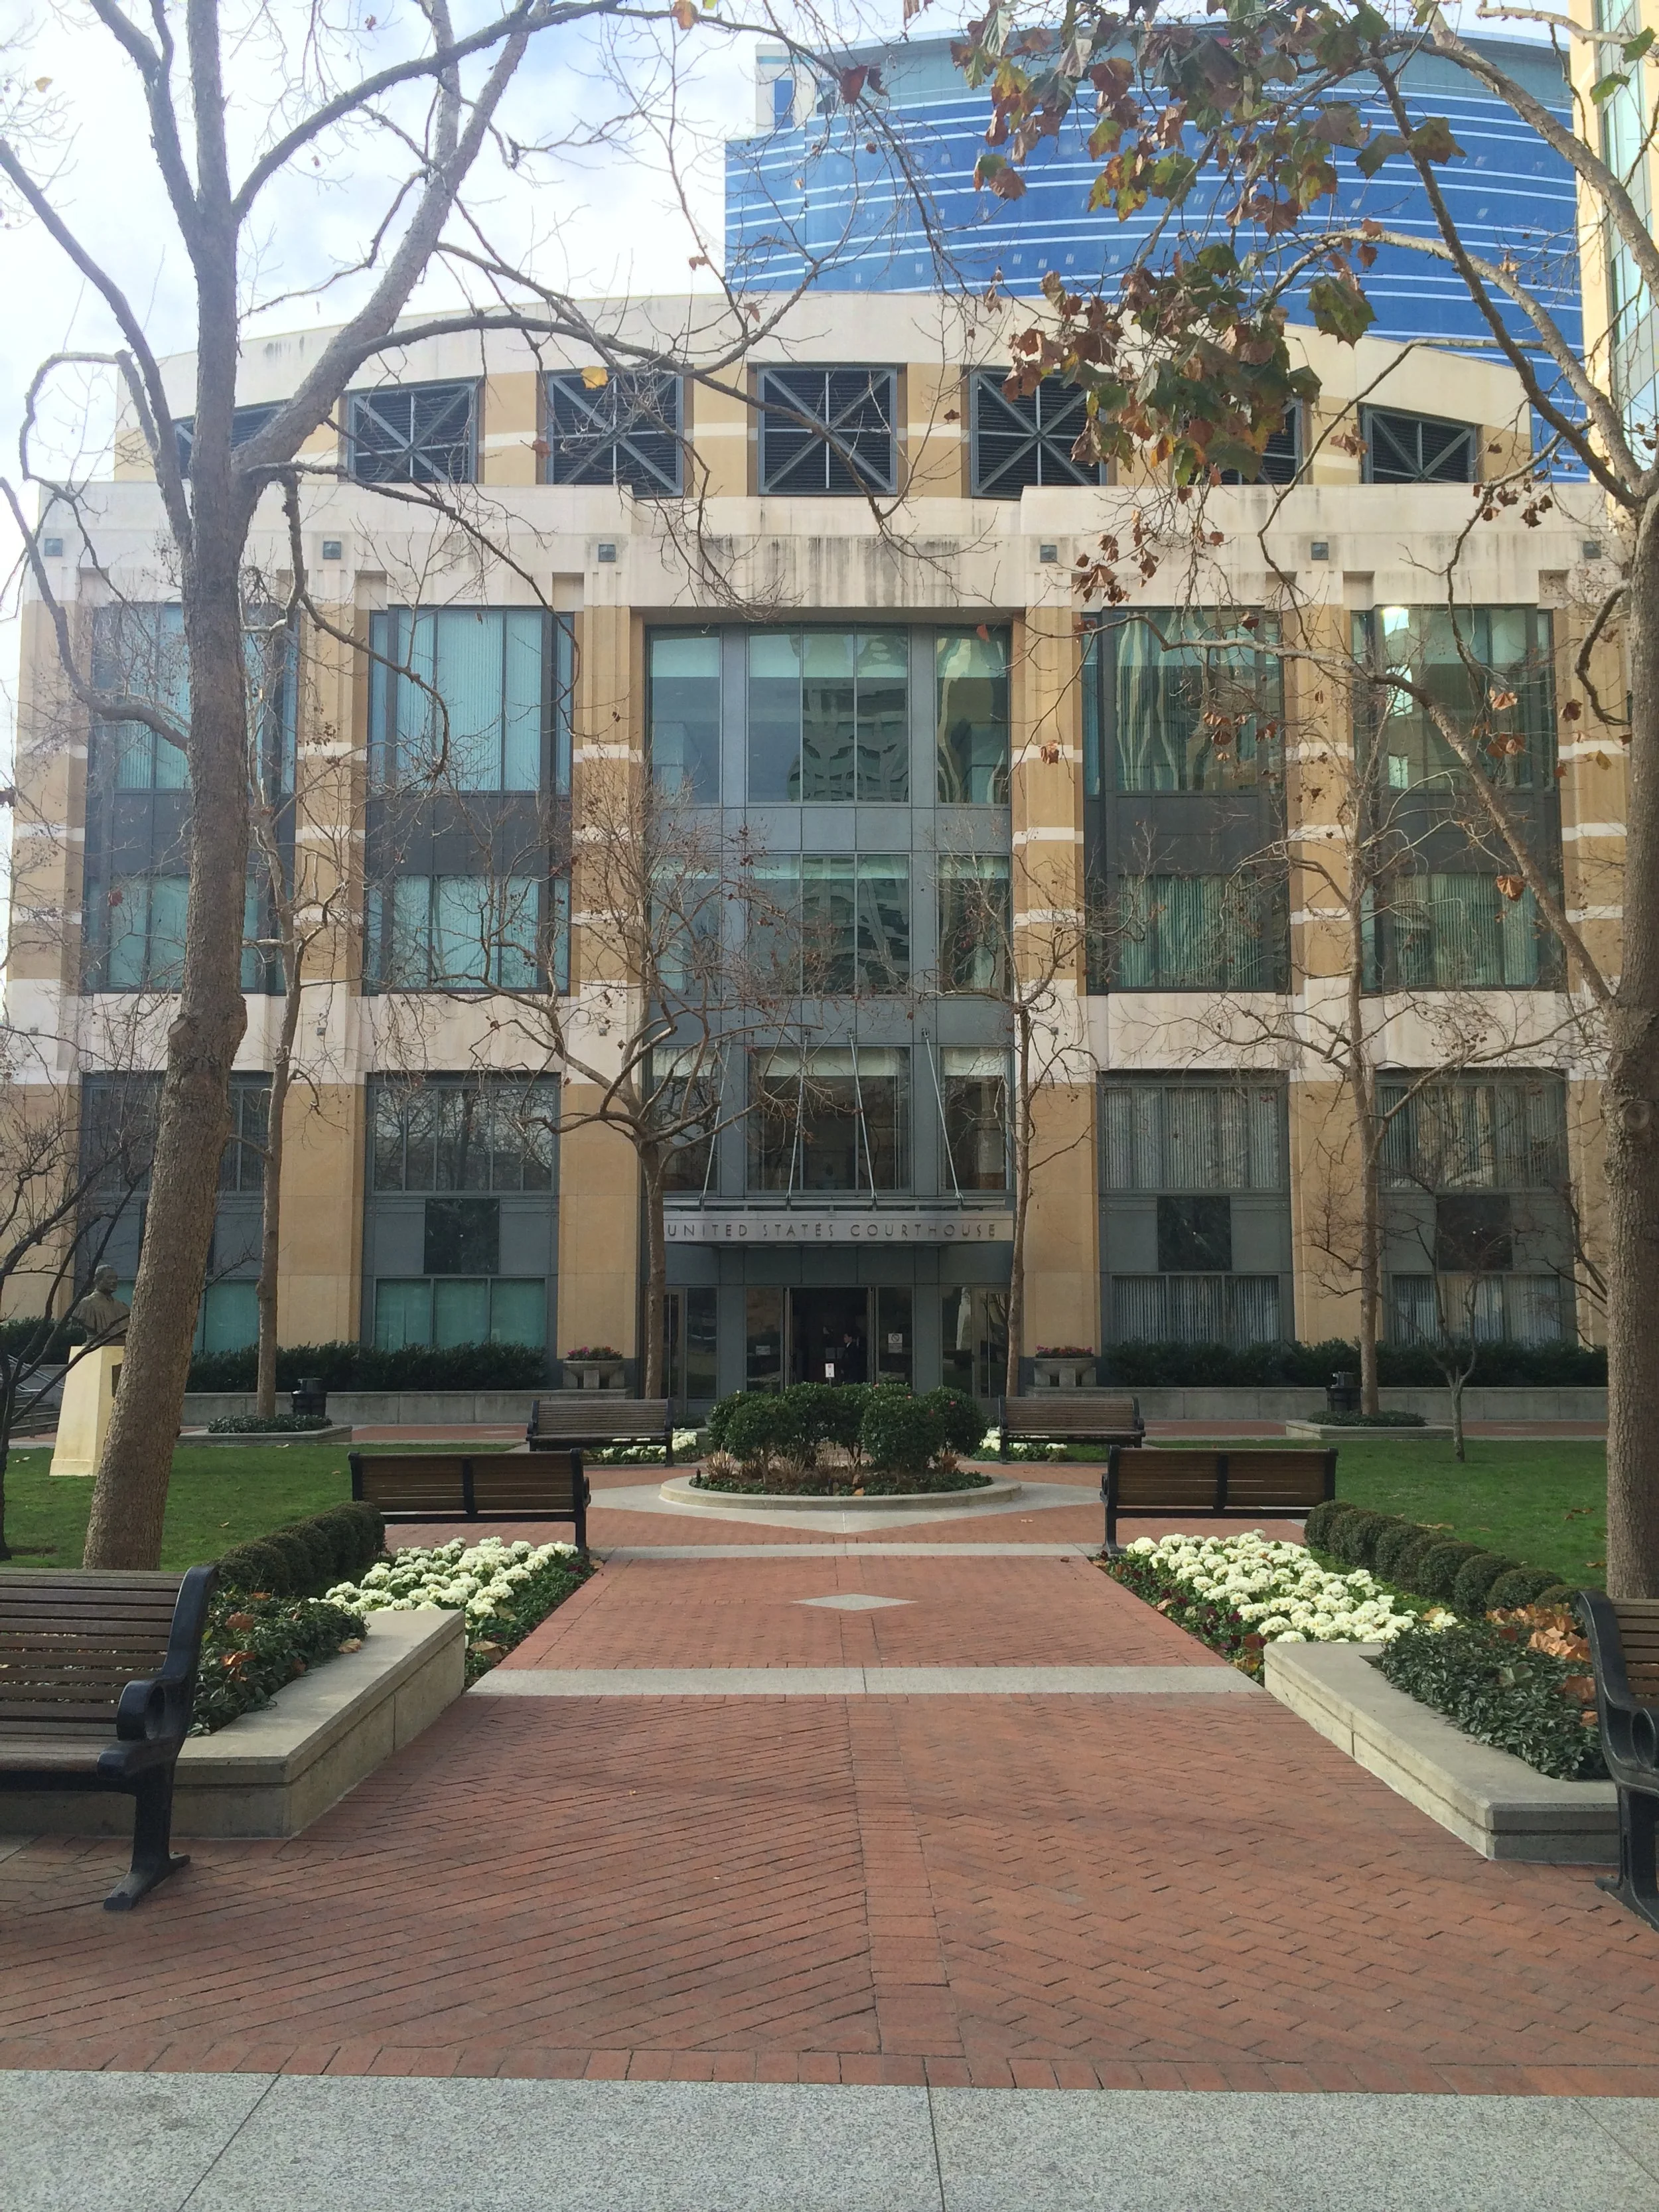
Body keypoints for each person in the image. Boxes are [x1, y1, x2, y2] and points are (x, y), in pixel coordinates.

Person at [70, 1265, 130, 1344]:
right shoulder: (86, 1304)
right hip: (97, 1345)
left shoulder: (123, 1307)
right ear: (97, 1280)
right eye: (109, 1278)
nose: (114, 1281)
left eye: (115, 1278)